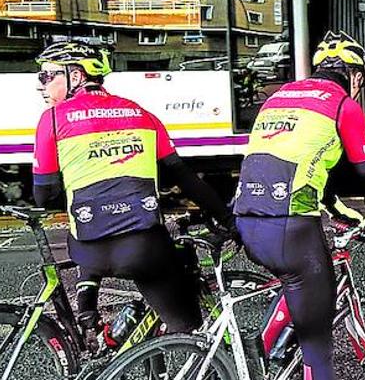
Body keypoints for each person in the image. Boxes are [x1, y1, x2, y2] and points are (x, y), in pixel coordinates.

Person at [232, 31, 365, 380]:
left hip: (248, 219)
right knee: (317, 349)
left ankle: (256, 357)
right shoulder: (344, 104)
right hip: (290, 229)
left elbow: (302, 160)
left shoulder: (281, 97)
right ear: (355, 75)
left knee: (293, 281)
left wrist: (335, 208)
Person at [31, 40, 235, 342]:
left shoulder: (51, 119)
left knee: (91, 226)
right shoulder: (142, 114)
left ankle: (90, 319)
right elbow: (185, 178)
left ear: (75, 77)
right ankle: (191, 371)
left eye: (47, 76)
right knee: (187, 326)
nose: (41, 85)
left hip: (89, 249)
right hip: (143, 250)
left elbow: (44, 197)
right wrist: (227, 219)